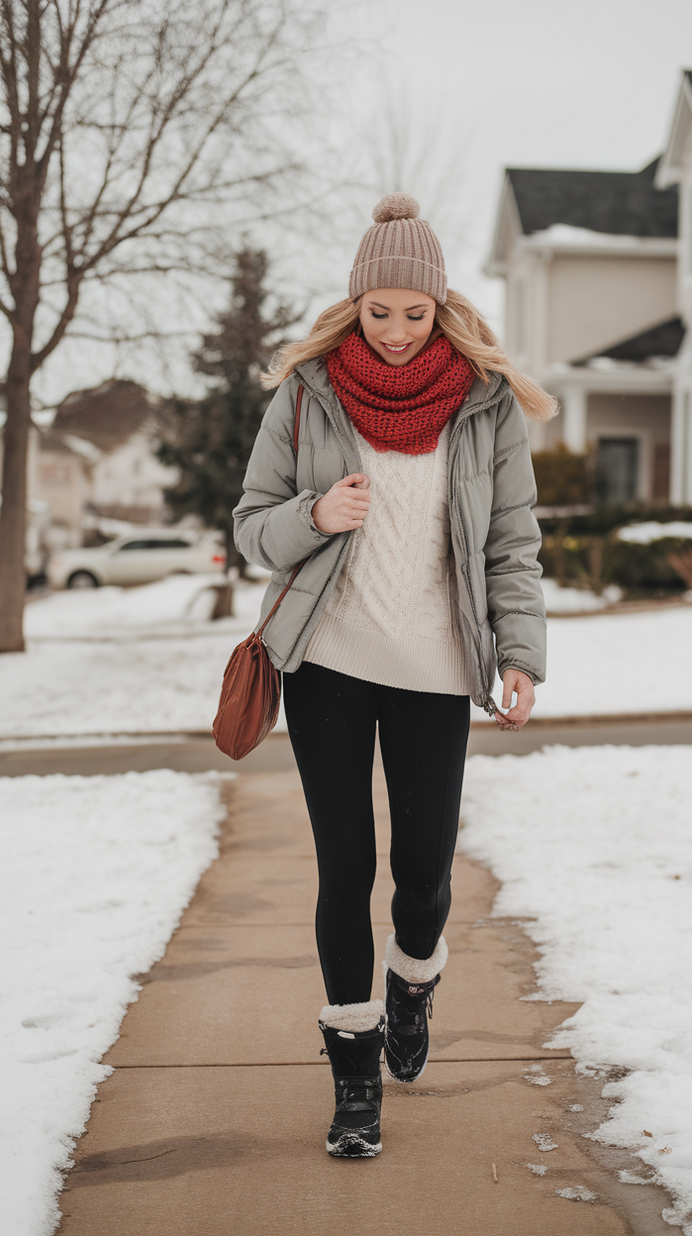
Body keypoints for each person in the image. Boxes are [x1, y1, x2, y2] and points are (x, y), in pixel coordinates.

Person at [233, 193, 555, 1159]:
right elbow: (252, 527)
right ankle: (353, 1079)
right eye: (381, 312)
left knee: (421, 879)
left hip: (434, 667)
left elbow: (511, 543)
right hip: (325, 660)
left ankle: (415, 981)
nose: (400, 331)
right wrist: (315, 514)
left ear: (442, 305)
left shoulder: (486, 404)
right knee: (345, 871)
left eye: (416, 313)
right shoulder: (305, 393)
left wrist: (520, 654)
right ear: (356, 303)